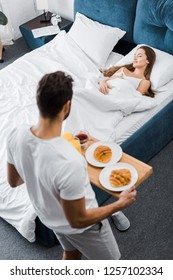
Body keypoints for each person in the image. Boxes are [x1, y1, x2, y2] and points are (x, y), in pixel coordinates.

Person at [7, 71, 136, 260]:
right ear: (67, 106)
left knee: (71, 252)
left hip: (50, 218)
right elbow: (78, 220)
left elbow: (13, 181)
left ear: (38, 99)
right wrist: (120, 204)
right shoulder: (70, 162)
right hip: (83, 228)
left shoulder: (16, 134)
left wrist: (37, 169)